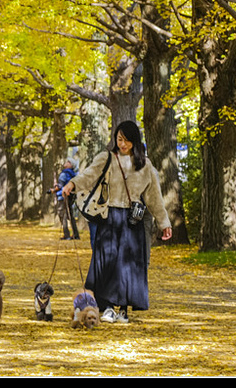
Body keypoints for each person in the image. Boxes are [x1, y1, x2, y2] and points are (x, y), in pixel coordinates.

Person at [61, 120, 172, 324]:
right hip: (109, 217)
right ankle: (108, 306)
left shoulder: (145, 165)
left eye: (127, 141)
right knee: (107, 262)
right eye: (120, 139)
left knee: (129, 266)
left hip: (133, 220)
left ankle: (124, 310)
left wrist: (164, 222)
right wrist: (72, 184)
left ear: (135, 142)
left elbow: (154, 197)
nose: (123, 144)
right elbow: (89, 175)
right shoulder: (107, 158)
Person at [55, 159, 77, 239]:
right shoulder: (72, 174)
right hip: (70, 197)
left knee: (62, 214)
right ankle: (76, 234)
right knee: (70, 215)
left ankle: (66, 235)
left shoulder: (64, 173)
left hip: (63, 196)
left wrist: (54, 189)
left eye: (68, 162)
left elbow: (60, 185)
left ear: (70, 165)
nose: (66, 162)